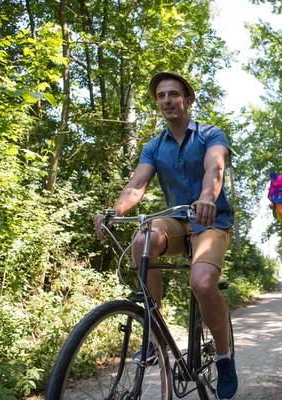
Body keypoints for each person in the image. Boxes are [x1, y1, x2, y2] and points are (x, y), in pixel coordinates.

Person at [94, 71, 237, 400]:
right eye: (161, 96)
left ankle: (224, 358)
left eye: (174, 94)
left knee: (202, 283)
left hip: (212, 220)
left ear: (187, 100)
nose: (167, 100)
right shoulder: (154, 146)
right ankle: (154, 327)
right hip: (176, 221)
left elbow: (215, 168)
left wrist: (207, 198)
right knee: (143, 239)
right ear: (157, 102)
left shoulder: (210, 134)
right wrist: (116, 212)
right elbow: (136, 185)